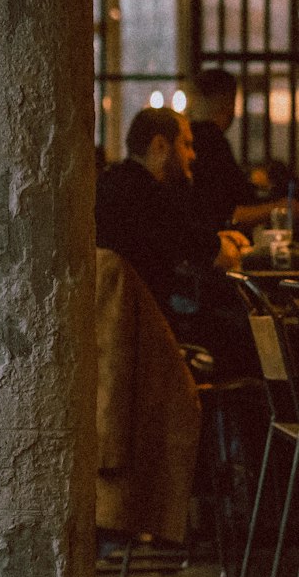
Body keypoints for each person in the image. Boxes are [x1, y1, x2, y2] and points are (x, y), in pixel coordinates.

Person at [95, 106, 255, 378]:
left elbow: (187, 239)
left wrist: (215, 240)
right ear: (160, 145)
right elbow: (221, 256)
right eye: (187, 144)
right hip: (148, 336)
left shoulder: (114, 183)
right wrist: (225, 244)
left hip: (110, 333)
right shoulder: (148, 196)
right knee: (247, 339)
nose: (192, 155)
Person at [188, 68, 275, 235]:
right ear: (229, 103)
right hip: (218, 247)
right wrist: (282, 207)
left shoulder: (196, 139)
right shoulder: (211, 141)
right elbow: (226, 213)